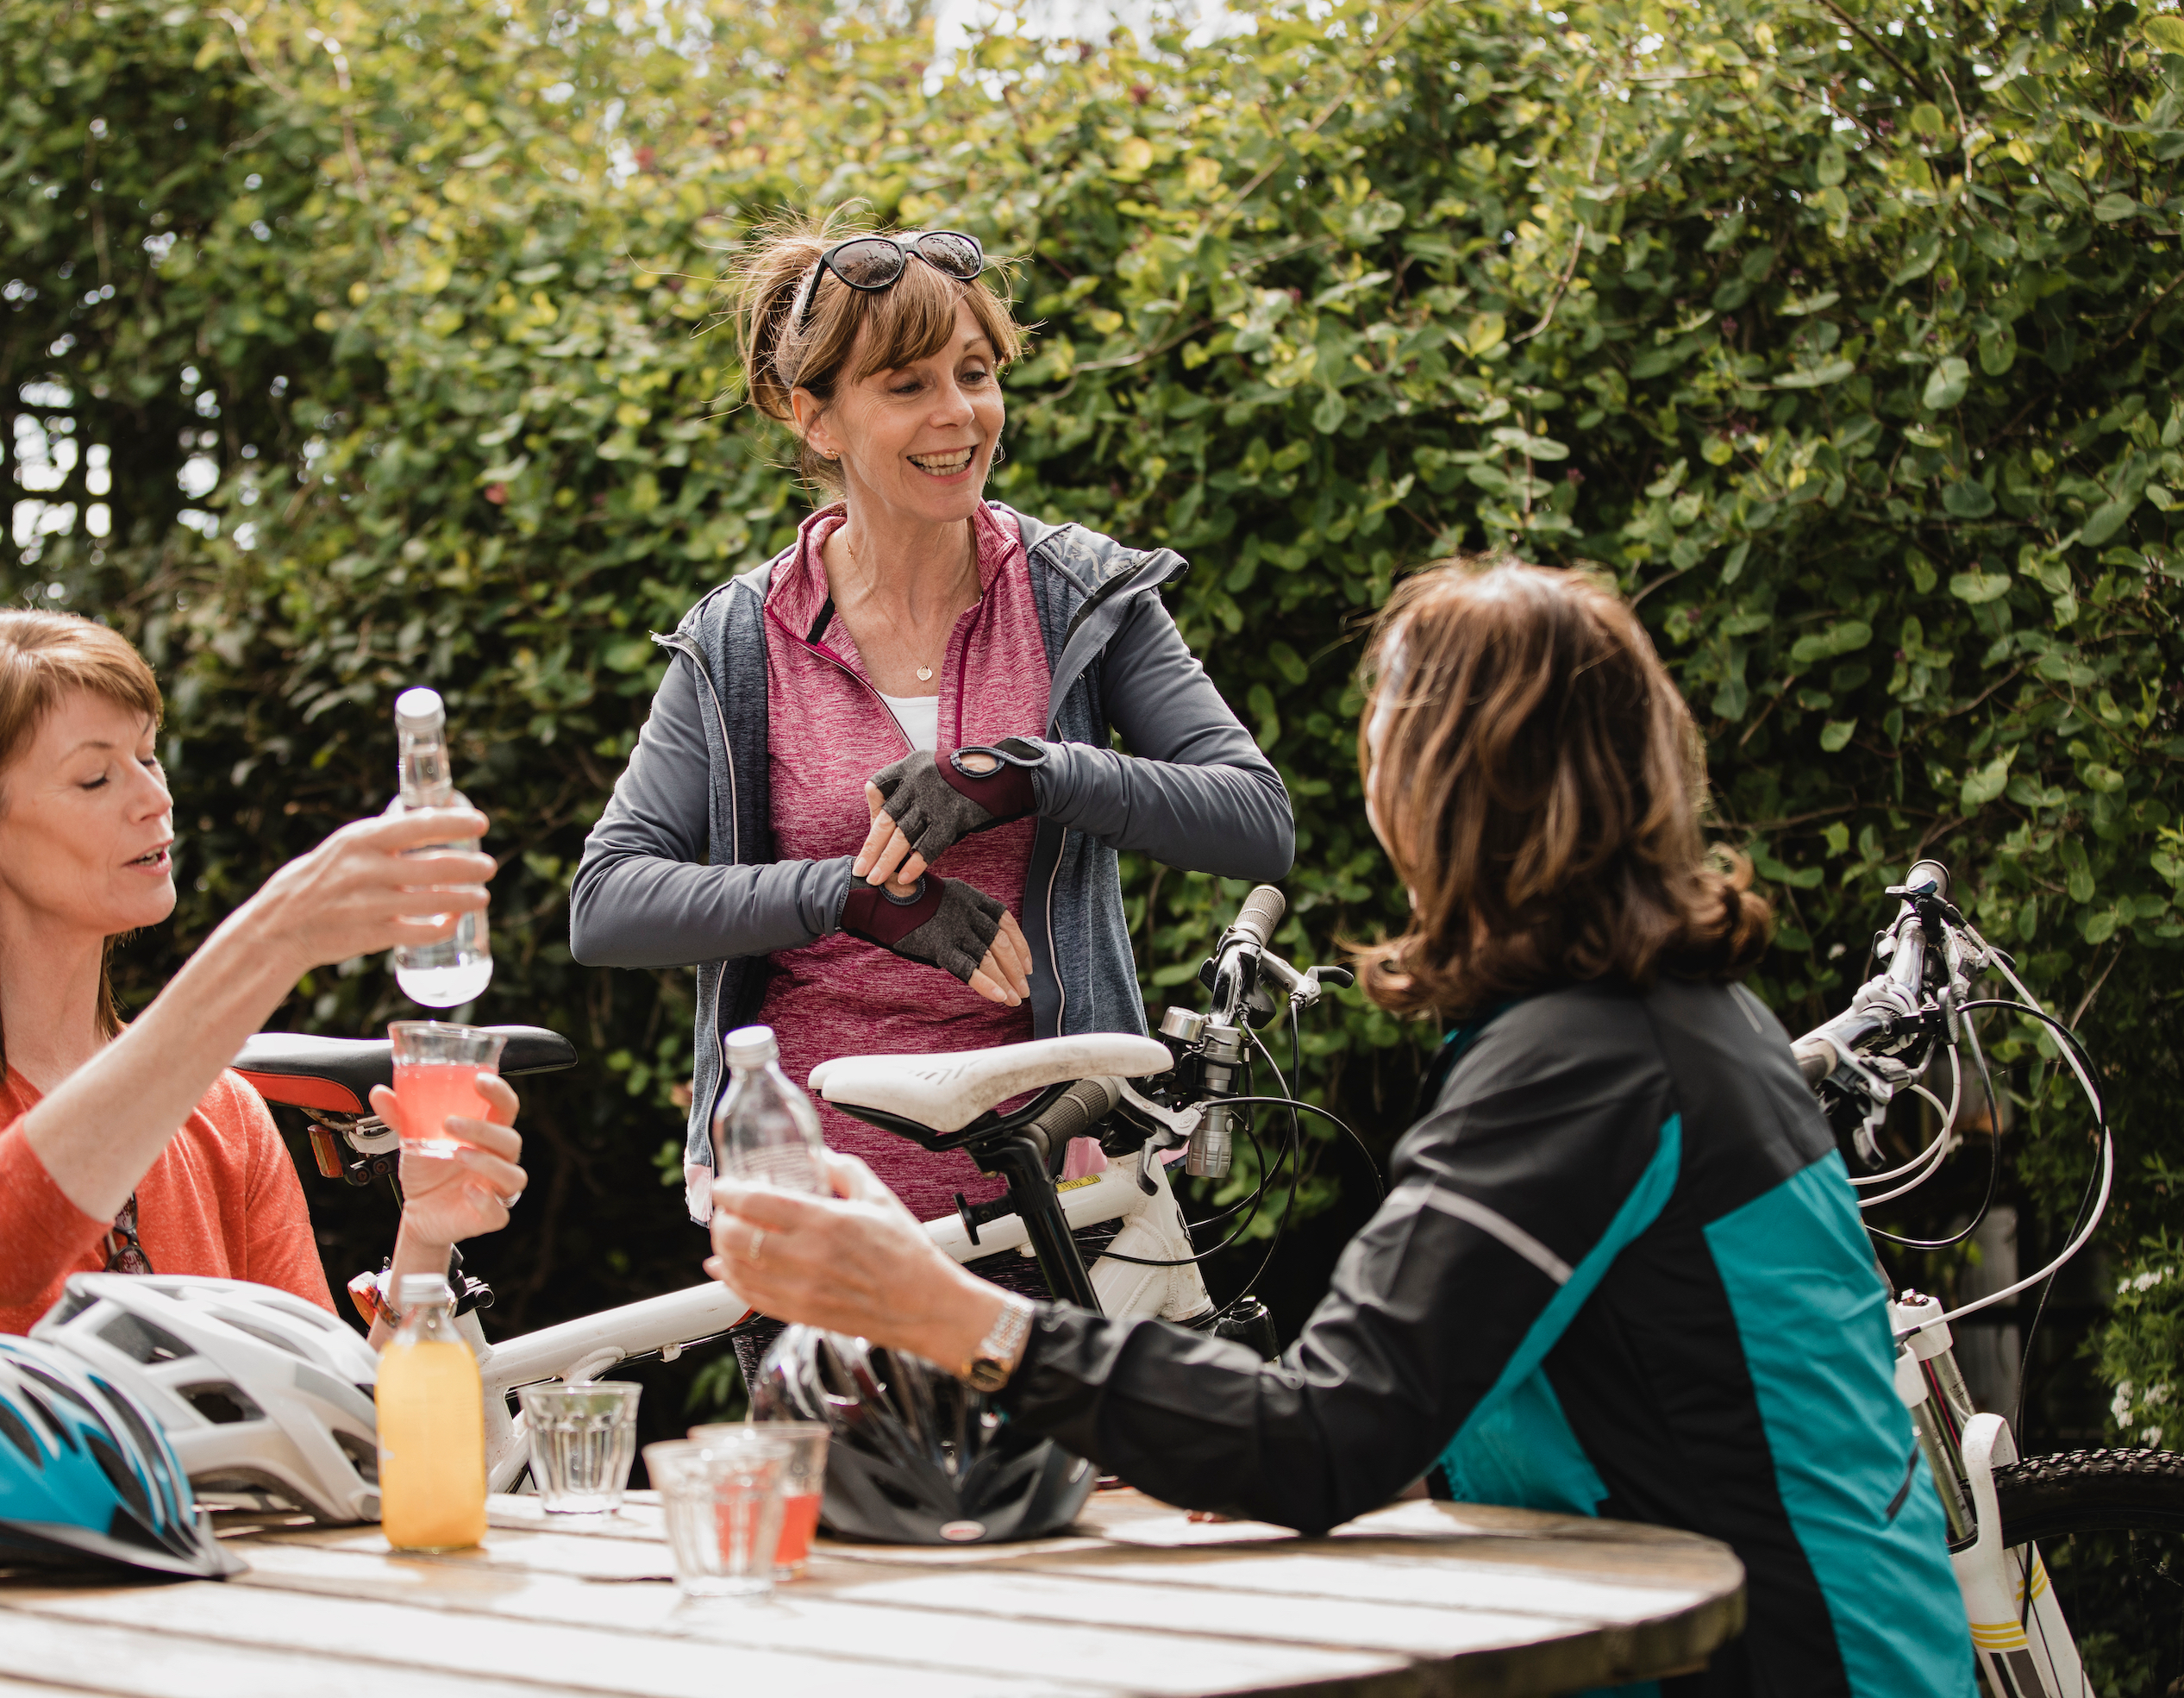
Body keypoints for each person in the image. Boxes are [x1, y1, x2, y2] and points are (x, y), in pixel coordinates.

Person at [702, 557, 1977, 1694]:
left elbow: (1327, 1434)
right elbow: (1485, 1388)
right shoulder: (1664, 1015)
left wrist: (930, 1307)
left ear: (1435, 777)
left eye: (1384, 723)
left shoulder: (1583, 1063)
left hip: (1782, 1657)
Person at [569, 212, 1293, 1269]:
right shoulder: (742, 639)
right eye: (907, 385)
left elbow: (1256, 822)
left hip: (1058, 1182)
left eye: (974, 372)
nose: (959, 414)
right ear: (815, 418)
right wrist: (852, 898)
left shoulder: (1077, 595)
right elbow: (609, 901)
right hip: (817, 1197)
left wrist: (1032, 775)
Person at [0, 611, 525, 1349]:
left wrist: (422, 1247)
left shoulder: (224, 1111)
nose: (154, 798)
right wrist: (273, 937)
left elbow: (330, 1430)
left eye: (149, 756)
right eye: (97, 775)